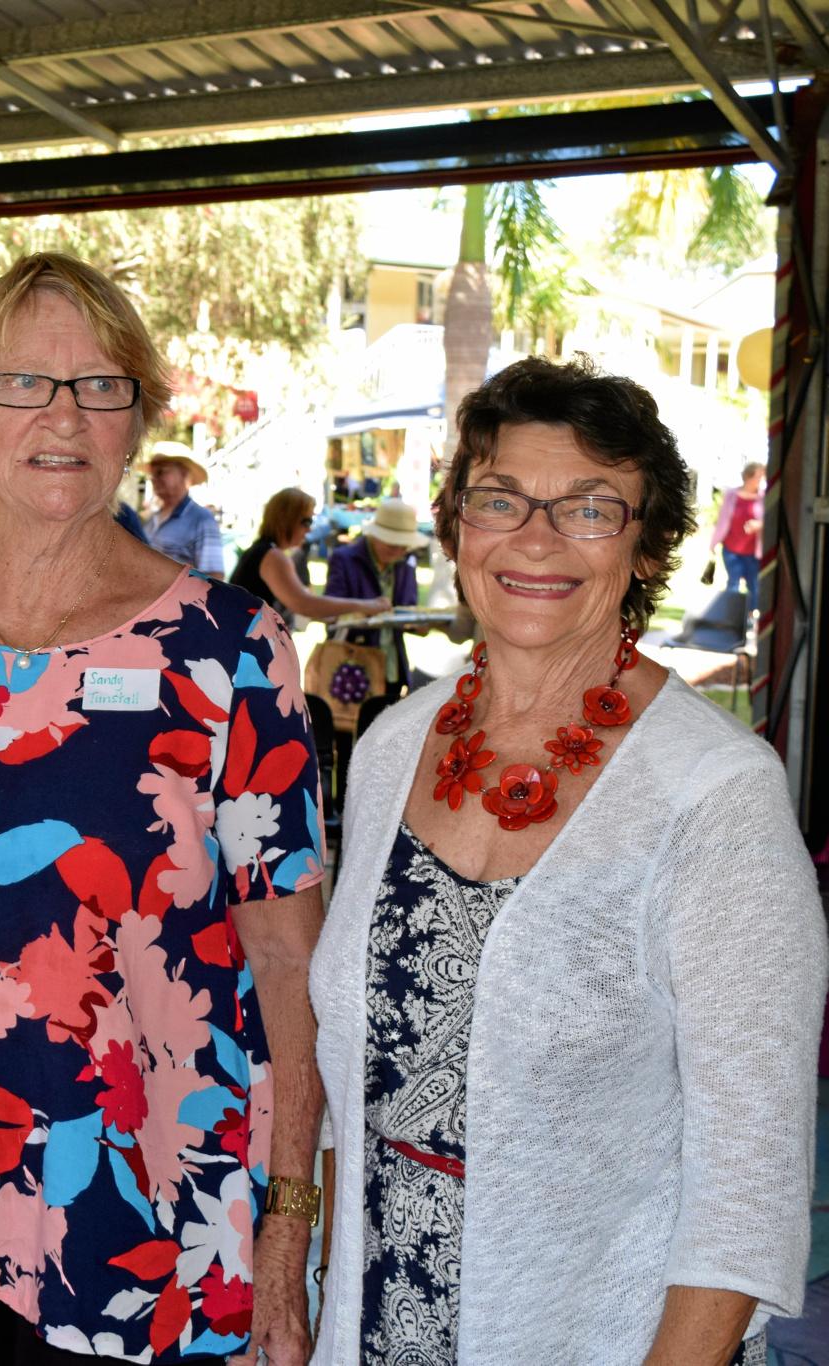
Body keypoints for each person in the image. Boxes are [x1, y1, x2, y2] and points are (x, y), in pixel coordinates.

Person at [0, 253, 328, 1365]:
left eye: (99, 385)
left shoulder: (226, 646)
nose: (63, 416)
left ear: (138, 418)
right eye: (21, 382)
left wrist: (286, 1223)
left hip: (148, 1206)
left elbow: (286, 956)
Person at [309, 356, 825, 1365]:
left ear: (643, 545)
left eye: (589, 508)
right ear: (459, 520)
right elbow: (352, 1090)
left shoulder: (712, 790)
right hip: (371, 1326)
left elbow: (746, 1176)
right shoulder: (386, 753)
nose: (534, 538)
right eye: (499, 498)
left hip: (585, 1329)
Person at [230, 488, 389, 623]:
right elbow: (305, 605)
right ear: (285, 520)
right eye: (306, 521)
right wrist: (367, 605)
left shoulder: (263, 551)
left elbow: (305, 605)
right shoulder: (273, 556)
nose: (310, 529)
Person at [324, 498, 428, 696]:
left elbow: (407, 608)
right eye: (392, 544)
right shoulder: (344, 559)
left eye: (403, 546)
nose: (398, 551)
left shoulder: (404, 563)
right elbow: (329, 612)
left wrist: (419, 624)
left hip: (392, 670)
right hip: (351, 668)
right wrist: (366, 607)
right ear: (375, 536)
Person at [141, 440, 225, 576]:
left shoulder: (202, 520)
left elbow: (213, 579)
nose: (154, 479)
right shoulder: (152, 517)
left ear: (184, 474)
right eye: (152, 474)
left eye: (161, 472)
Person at [709, 460, 766, 612]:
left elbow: (769, 520)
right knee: (733, 583)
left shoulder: (763, 497)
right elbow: (722, 520)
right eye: (758, 477)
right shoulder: (732, 495)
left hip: (753, 552)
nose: (761, 481)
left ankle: (750, 618)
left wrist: (758, 525)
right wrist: (714, 543)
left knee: (753, 585)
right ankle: (731, 617)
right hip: (731, 549)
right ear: (748, 477)